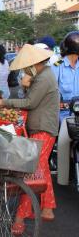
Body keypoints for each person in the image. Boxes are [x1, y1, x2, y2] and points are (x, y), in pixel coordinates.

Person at [0, 44, 59, 234]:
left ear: (33, 63)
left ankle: (20, 218)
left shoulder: (45, 77)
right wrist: (24, 85)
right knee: (40, 170)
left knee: (32, 174)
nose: (24, 70)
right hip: (40, 127)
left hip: (44, 128)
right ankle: (47, 208)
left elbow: (30, 103)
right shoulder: (41, 76)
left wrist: (4, 102)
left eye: (26, 66)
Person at [51, 31, 79, 186]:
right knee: (63, 140)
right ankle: (62, 175)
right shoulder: (58, 65)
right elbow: (50, 88)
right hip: (64, 114)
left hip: (78, 112)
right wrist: (58, 103)